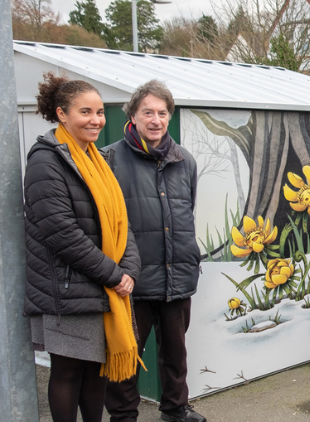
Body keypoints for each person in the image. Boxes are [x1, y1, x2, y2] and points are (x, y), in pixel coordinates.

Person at [23, 73, 142, 422]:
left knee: (95, 371)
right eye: (85, 112)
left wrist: (129, 270)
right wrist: (114, 275)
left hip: (103, 286)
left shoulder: (97, 159)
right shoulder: (46, 161)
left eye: (100, 112)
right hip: (67, 290)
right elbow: (60, 232)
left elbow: (122, 222)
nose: (96, 120)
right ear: (62, 114)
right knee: (68, 372)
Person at [103, 80, 204, 422]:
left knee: (175, 352)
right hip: (130, 280)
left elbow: (186, 213)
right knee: (126, 353)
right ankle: (123, 416)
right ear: (132, 115)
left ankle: (175, 409)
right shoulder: (111, 159)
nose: (156, 120)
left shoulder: (184, 160)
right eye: (148, 112)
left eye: (162, 113)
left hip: (176, 274)